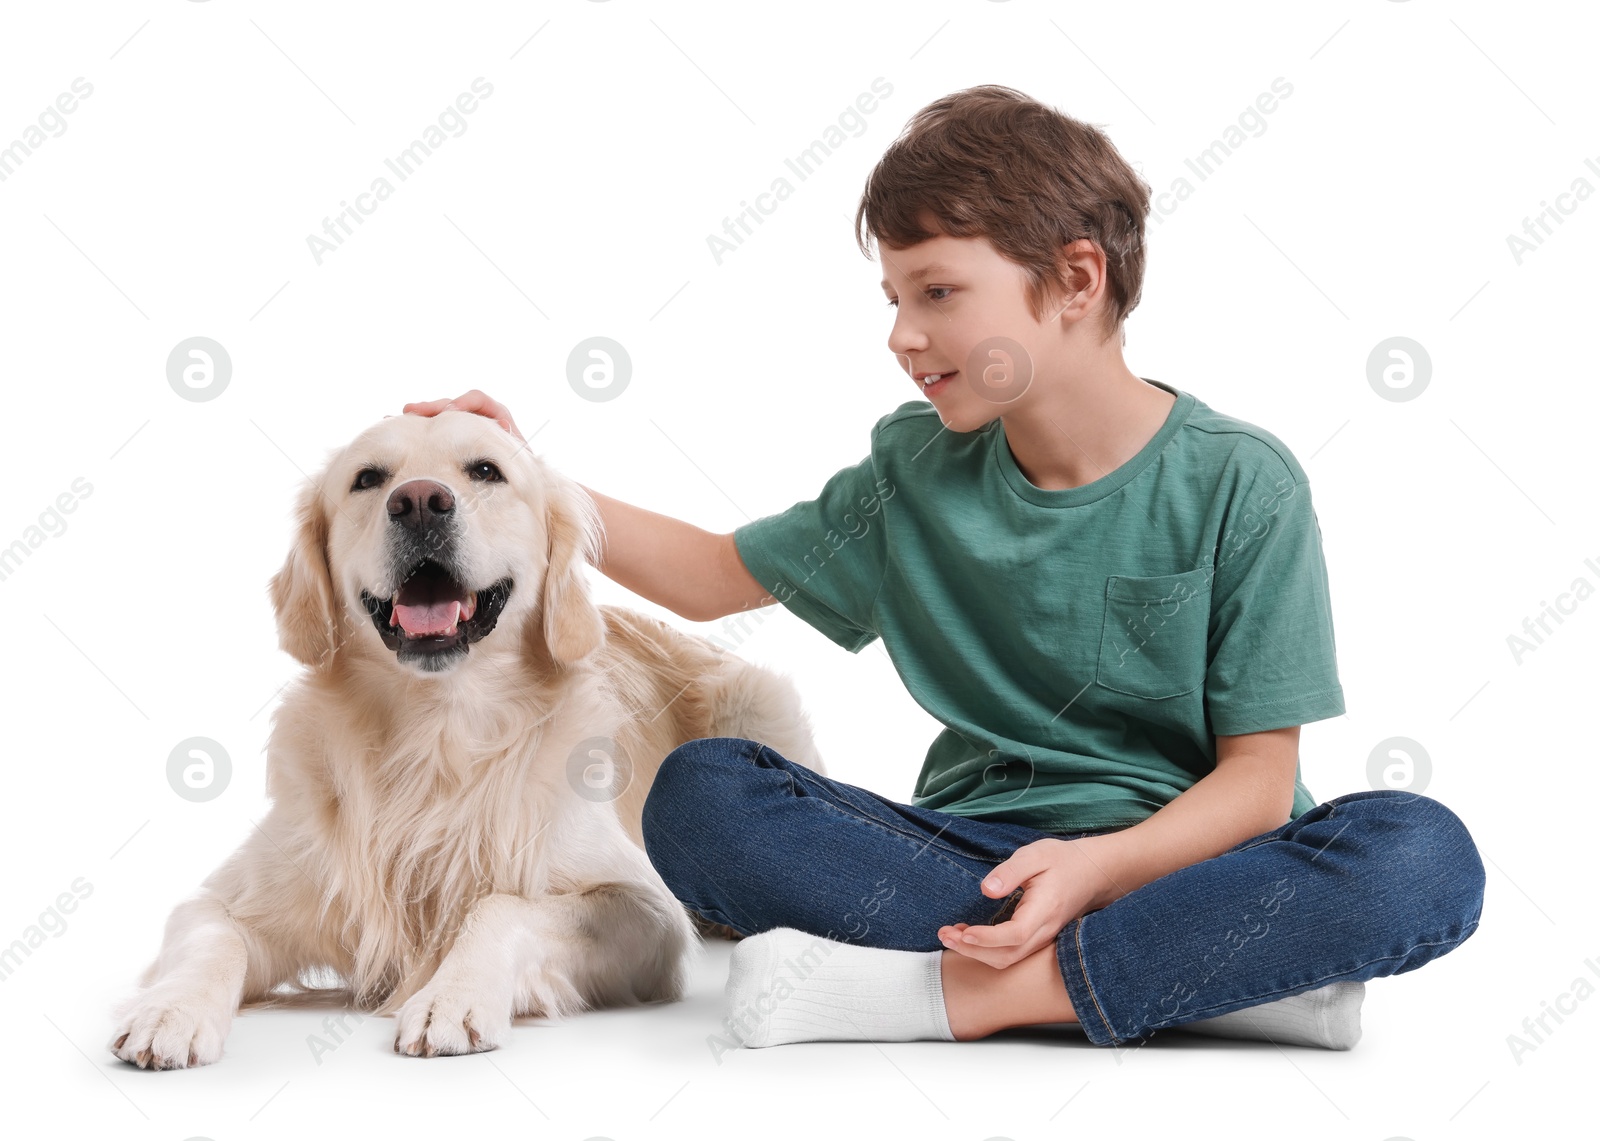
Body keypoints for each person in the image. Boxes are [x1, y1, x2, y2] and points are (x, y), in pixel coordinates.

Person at [404, 85, 1484, 1053]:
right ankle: (1226, 980)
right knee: (703, 791)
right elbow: (716, 572)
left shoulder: (1243, 484)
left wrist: (1101, 868)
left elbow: (1256, 783)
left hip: (1181, 857)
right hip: (967, 857)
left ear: (1073, 278)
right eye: (892, 298)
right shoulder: (910, 471)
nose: (901, 335)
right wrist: (530, 483)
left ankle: (958, 997)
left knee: (1420, 853)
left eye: (935, 293)